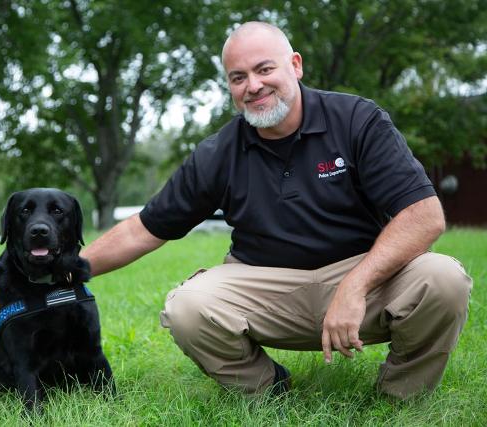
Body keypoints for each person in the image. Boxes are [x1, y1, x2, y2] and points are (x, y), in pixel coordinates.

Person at [81, 22, 472, 399]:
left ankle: (400, 395)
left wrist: (355, 285)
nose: (253, 86)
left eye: (264, 69)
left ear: (296, 65)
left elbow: (424, 215)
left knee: (443, 278)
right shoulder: (218, 153)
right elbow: (142, 230)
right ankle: (268, 391)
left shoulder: (357, 120)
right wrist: (62, 270)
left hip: (363, 278)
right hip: (266, 287)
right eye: (238, 77)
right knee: (187, 307)